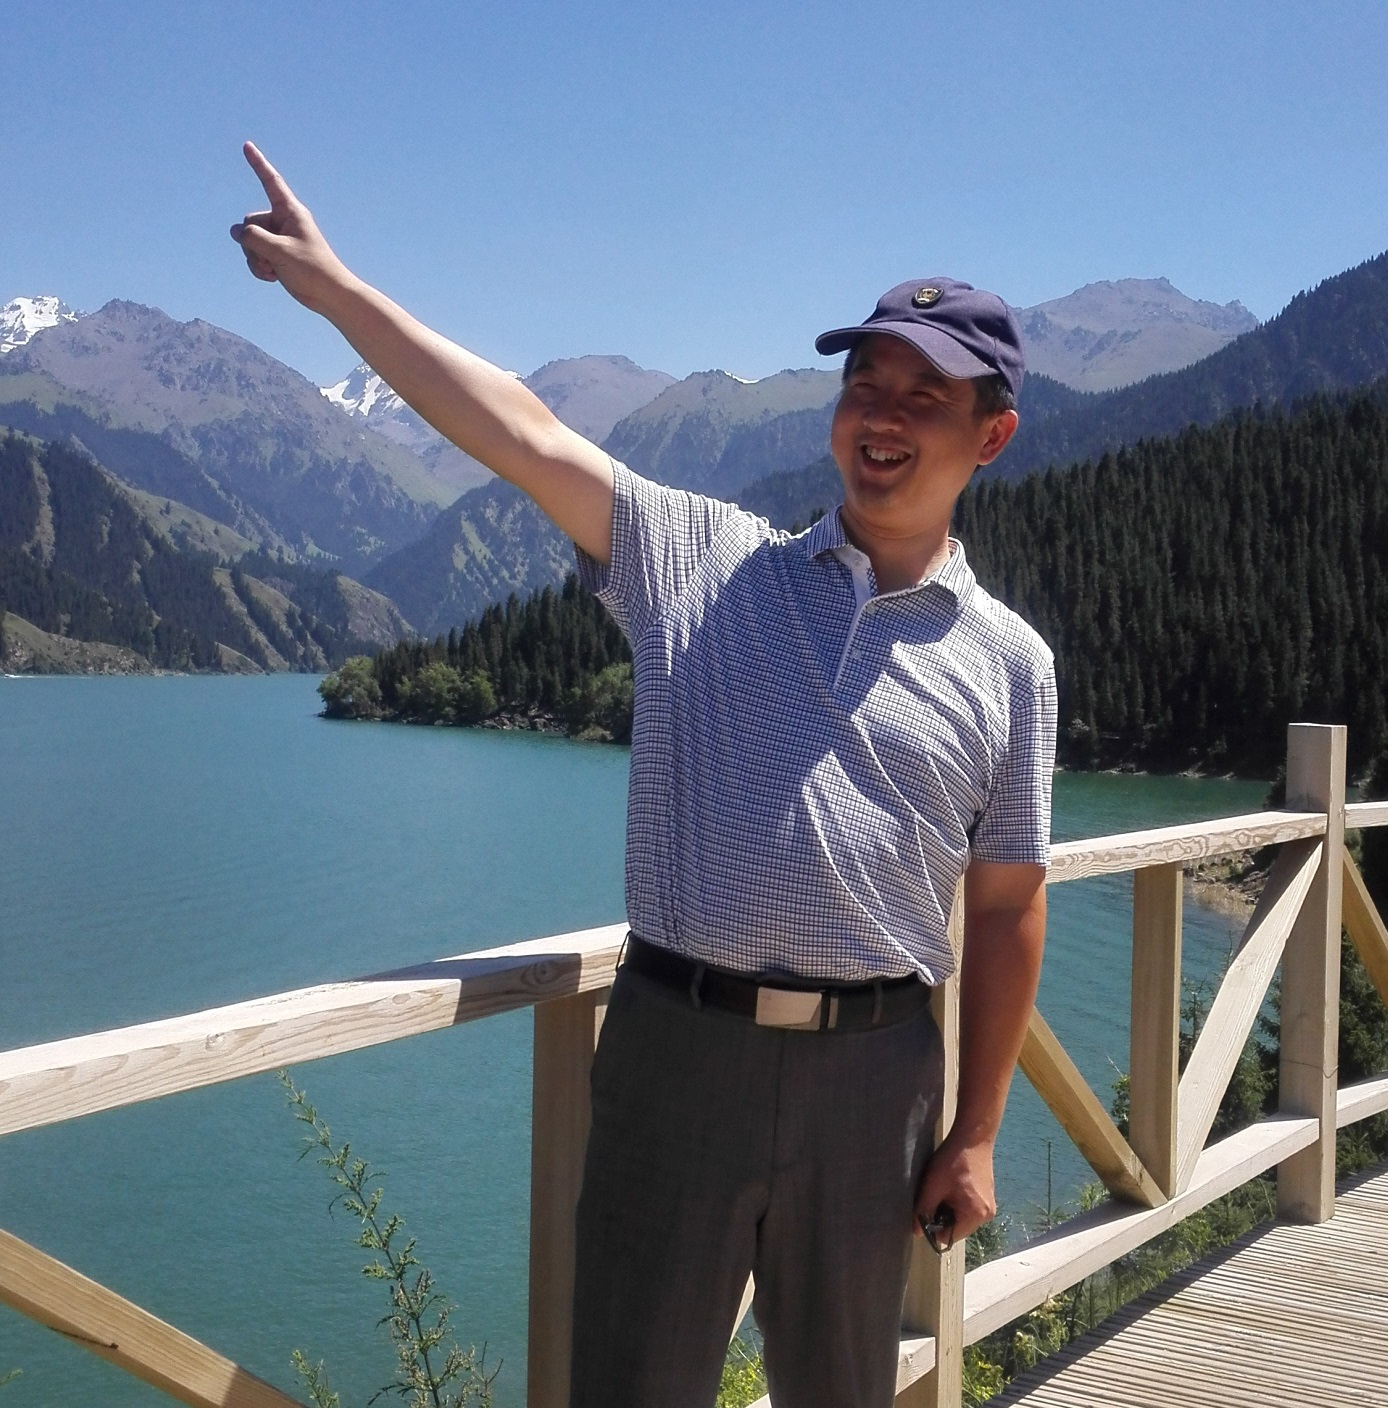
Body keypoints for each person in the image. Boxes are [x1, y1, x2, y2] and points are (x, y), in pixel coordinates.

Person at [232, 142, 1055, 1408]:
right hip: (676, 1049)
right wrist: (335, 291)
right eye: (863, 383)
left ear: (989, 435)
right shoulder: (700, 562)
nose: (881, 417)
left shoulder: (1010, 664)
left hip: (875, 1072)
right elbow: (518, 429)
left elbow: (1003, 909)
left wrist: (978, 1132)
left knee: (845, 1392)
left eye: (923, 397)